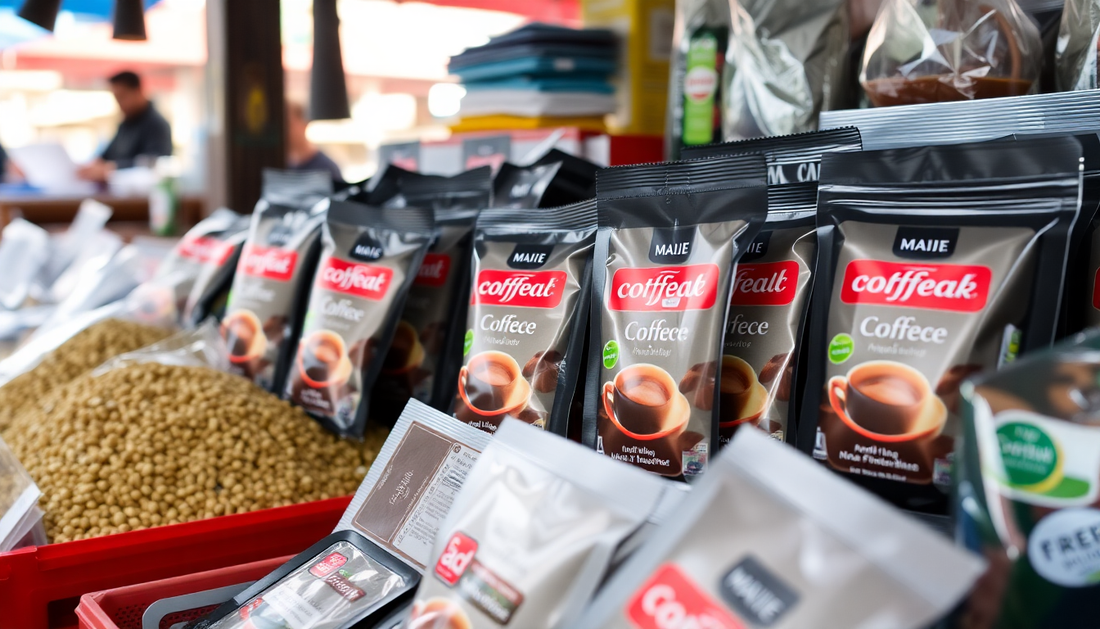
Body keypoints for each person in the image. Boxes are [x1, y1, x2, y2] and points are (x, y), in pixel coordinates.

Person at [78, 70, 172, 182]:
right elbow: (107, 155)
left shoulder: (157, 124)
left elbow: (153, 162)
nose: (119, 104)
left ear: (139, 91)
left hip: (139, 196)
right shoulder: (125, 124)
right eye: (116, 99)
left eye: (122, 97)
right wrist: (93, 166)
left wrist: (112, 168)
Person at [286, 101, 343, 183]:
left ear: (304, 123)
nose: (284, 131)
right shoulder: (282, 167)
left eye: (288, 124)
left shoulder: (326, 169)